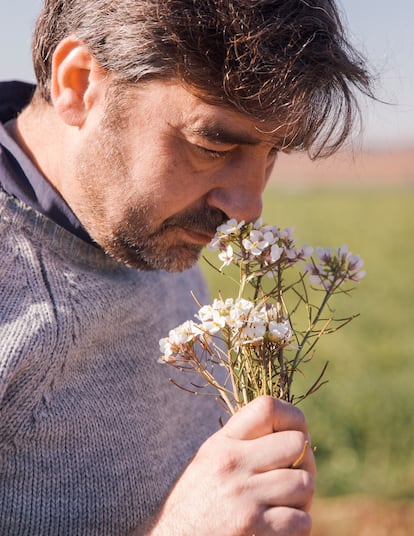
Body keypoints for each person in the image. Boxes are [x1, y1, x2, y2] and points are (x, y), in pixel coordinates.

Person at [0, 1, 371, 534]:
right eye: (214, 143)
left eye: (273, 153)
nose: (248, 206)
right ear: (78, 84)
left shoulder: (142, 223)